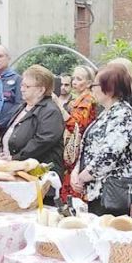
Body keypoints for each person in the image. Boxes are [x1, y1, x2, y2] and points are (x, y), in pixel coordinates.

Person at [71, 64, 132, 215]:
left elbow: (109, 155)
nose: (92, 88)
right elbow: (88, 147)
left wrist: (82, 177)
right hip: (96, 191)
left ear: (109, 88)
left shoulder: (123, 113)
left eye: (95, 84)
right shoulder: (106, 113)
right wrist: (76, 172)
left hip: (112, 194)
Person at [0, 64, 65, 178]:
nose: (22, 89)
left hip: (39, 175)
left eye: (27, 86)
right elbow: (9, 132)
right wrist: (1, 151)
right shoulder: (22, 107)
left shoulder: (50, 111)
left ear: (41, 90)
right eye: (22, 85)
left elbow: (42, 141)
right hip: (16, 170)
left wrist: (15, 158)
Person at [60, 65, 97, 202]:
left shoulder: (87, 99)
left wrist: (60, 107)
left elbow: (76, 125)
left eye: (79, 79)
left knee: (73, 192)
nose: (74, 82)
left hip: (79, 150)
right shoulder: (78, 99)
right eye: (74, 78)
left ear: (88, 83)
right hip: (75, 150)